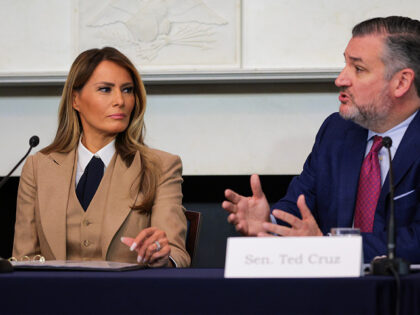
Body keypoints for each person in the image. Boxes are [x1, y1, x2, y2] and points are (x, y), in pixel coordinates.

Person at [222, 16, 420, 263]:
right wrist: (268, 224)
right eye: (345, 64)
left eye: (358, 69)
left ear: (401, 82)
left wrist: (331, 247)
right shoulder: (337, 132)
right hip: (330, 294)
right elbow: (299, 206)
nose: (340, 79)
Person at [13, 47, 190, 268]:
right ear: (75, 100)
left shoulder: (161, 166)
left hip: (129, 298)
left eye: (127, 90)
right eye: (105, 89)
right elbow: (23, 260)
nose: (120, 100)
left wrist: (162, 254)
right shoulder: (38, 167)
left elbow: (177, 255)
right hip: (55, 299)